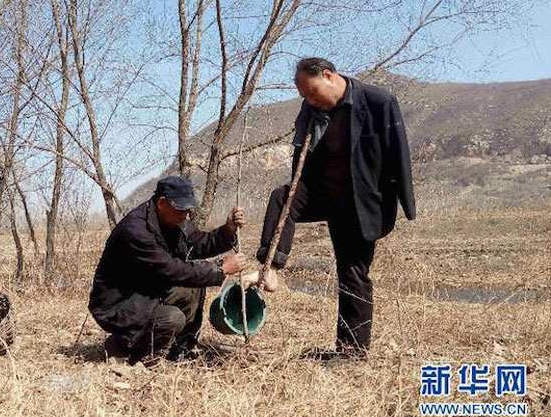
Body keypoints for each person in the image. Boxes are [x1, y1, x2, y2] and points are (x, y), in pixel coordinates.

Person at [254, 57, 416, 360]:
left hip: (361, 202)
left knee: (353, 271)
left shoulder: (378, 102)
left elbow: (399, 152)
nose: (311, 101)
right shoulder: (311, 111)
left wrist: (405, 205)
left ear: (329, 76)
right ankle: (270, 267)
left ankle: (351, 351)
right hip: (323, 192)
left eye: (313, 93)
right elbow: (303, 152)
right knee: (283, 197)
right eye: (305, 97)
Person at [89, 176, 247, 364]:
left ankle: (181, 348)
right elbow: (173, 270)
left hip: (147, 290)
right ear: (162, 202)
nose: (185, 216)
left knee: (195, 286)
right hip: (120, 303)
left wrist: (228, 230)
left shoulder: (174, 220)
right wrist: (220, 270)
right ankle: (122, 346)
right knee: (172, 319)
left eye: (188, 210)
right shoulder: (136, 231)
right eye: (181, 210)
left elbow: (198, 244)